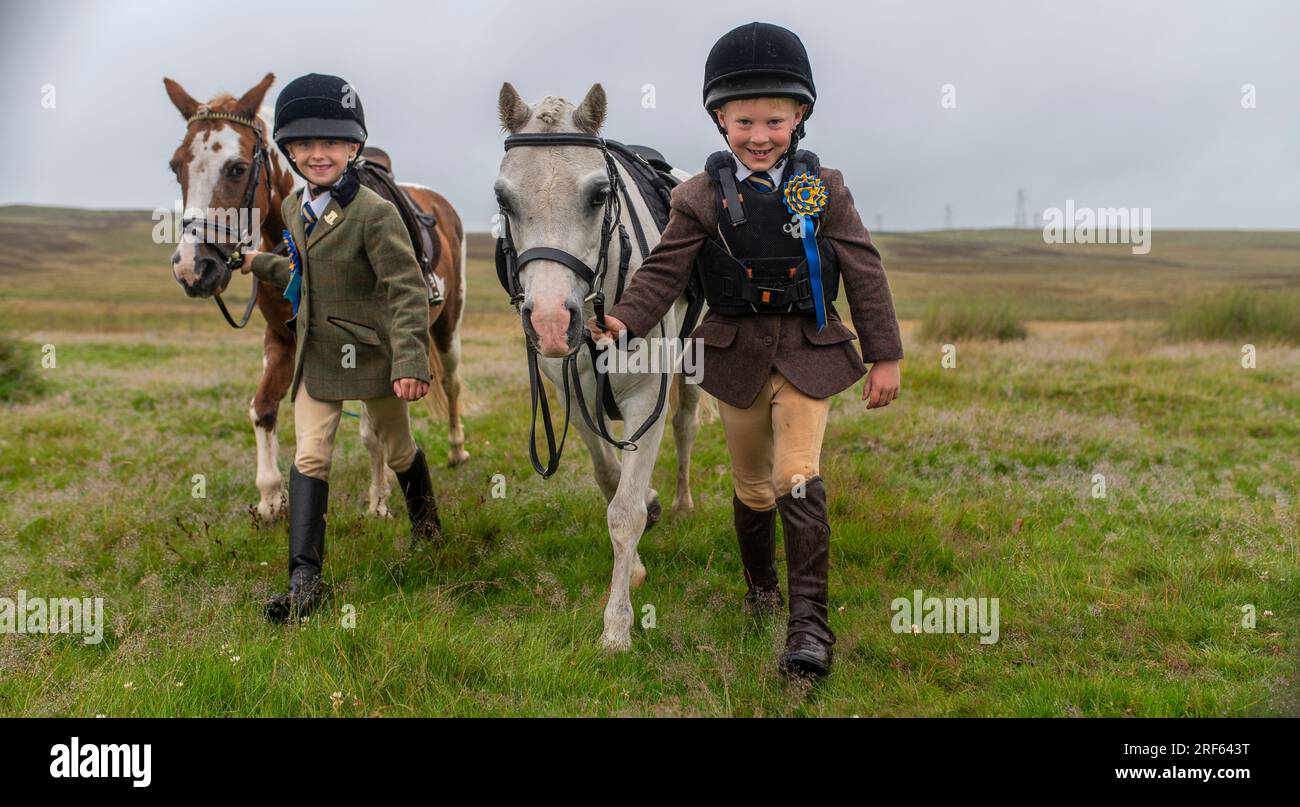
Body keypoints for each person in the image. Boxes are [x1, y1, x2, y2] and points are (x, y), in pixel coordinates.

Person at [587, 23, 904, 678]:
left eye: (774, 121)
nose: (759, 136)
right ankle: (763, 589)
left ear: (800, 117)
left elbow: (864, 270)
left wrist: (886, 354)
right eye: (743, 122)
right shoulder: (697, 197)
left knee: (795, 474)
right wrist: (622, 320)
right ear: (719, 119)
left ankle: (809, 627)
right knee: (753, 487)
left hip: (809, 349)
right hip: (732, 357)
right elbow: (663, 273)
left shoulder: (828, 189)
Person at [240, 73, 444, 623]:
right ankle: (305, 581)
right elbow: (306, 271)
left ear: (354, 147)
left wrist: (410, 361)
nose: (318, 154)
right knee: (310, 457)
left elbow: (404, 288)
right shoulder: (290, 211)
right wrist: (257, 262)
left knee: (399, 450)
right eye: (304, 144)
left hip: (376, 359)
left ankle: (428, 533)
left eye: (331, 143)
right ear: (289, 150)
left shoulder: (375, 213)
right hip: (317, 355)